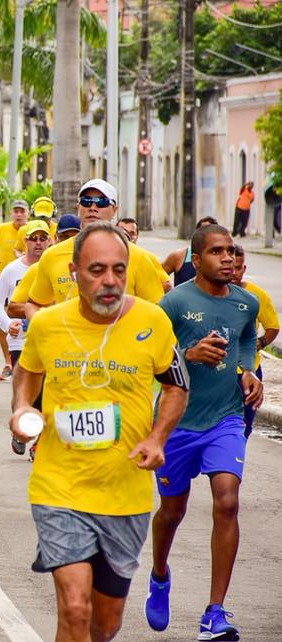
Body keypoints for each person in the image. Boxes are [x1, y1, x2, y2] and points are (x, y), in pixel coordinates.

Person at [10, 222, 188, 642]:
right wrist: (21, 408)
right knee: (74, 608)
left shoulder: (153, 321)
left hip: (125, 494)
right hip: (59, 487)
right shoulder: (48, 325)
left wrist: (157, 437)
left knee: (105, 625)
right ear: (73, 272)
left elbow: (176, 384)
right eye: (96, 270)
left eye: (118, 270)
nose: (109, 281)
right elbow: (27, 373)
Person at [146, 224, 261, 640]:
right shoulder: (173, 302)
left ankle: (215, 612)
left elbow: (248, 339)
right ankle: (159, 574)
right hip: (177, 424)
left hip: (225, 418)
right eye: (217, 252)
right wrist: (186, 354)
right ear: (196, 261)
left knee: (227, 501)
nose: (228, 258)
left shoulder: (245, 303)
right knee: (172, 512)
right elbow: (149, 355)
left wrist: (247, 370)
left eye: (231, 251)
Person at [25, 180, 165, 319]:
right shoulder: (52, 255)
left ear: (114, 210)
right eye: (86, 201)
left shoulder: (139, 257)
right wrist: (46, 330)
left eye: (101, 202)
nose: (93, 207)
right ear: (78, 207)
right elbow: (33, 304)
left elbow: (157, 310)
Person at [0, 220, 49, 456]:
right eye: (32, 239)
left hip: (49, 341)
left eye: (42, 238)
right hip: (20, 341)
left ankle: (39, 440)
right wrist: (8, 323)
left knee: (46, 393)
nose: (37, 243)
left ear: (49, 240)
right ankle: (19, 427)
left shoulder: (54, 269)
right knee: (23, 390)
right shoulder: (12, 270)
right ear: (24, 241)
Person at [231, 245, 278, 438]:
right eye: (230, 267)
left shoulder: (257, 296)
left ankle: (233, 461)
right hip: (217, 373)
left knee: (245, 425)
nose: (233, 273)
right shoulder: (209, 294)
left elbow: (273, 327)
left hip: (248, 372)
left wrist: (261, 343)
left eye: (238, 268)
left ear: (244, 269)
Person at [0, 199, 30, 381]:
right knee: (3, 325)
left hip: (25, 284)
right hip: (5, 282)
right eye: (16, 211)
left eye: (22, 211)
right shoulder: (1, 229)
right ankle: (8, 363)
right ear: (11, 213)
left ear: (27, 213)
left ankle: (23, 361)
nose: (19, 214)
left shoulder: (30, 232)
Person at [161, 217, 219, 287]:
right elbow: (157, 277)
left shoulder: (222, 259)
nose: (205, 235)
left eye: (210, 231)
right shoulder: (178, 256)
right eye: (202, 231)